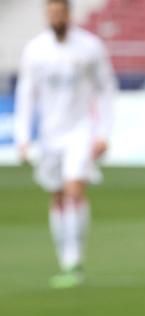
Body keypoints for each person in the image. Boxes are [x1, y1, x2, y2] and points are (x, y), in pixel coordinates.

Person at [14, 0, 116, 289]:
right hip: (50, 134)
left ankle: (74, 260)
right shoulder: (35, 49)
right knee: (57, 195)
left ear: (69, 14)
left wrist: (103, 133)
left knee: (74, 190)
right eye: (51, 13)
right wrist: (23, 137)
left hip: (80, 130)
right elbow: (26, 95)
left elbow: (106, 89)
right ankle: (64, 261)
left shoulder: (90, 47)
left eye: (60, 13)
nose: (55, 18)